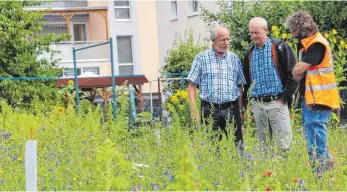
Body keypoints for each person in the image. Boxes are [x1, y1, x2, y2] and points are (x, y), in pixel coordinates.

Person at [285, 11, 340, 174]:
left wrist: (299, 69)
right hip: (312, 99)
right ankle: (328, 175)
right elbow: (296, 73)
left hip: (319, 100)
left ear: (302, 28)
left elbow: (298, 70)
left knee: (315, 143)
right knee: (316, 138)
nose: (292, 35)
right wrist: (298, 70)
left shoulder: (317, 44)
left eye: (294, 30)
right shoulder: (307, 44)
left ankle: (320, 176)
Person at [243, 17, 298, 153]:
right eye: (251, 33)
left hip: (277, 102)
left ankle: (286, 173)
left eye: (256, 32)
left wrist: (284, 99)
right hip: (258, 105)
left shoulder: (279, 47)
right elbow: (246, 82)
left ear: (266, 30)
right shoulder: (249, 53)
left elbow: (294, 74)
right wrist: (247, 104)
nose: (254, 36)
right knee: (264, 147)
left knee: (283, 146)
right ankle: (266, 172)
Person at [187, 26, 246, 150]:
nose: (226, 43)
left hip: (231, 108)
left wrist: (240, 110)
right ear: (213, 41)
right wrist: (194, 110)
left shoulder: (234, 59)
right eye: (222, 40)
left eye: (228, 40)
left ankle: (240, 168)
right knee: (212, 148)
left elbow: (240, 86)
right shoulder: (201, 58)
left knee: (238, 146)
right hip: (210, 109)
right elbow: (192, 85)